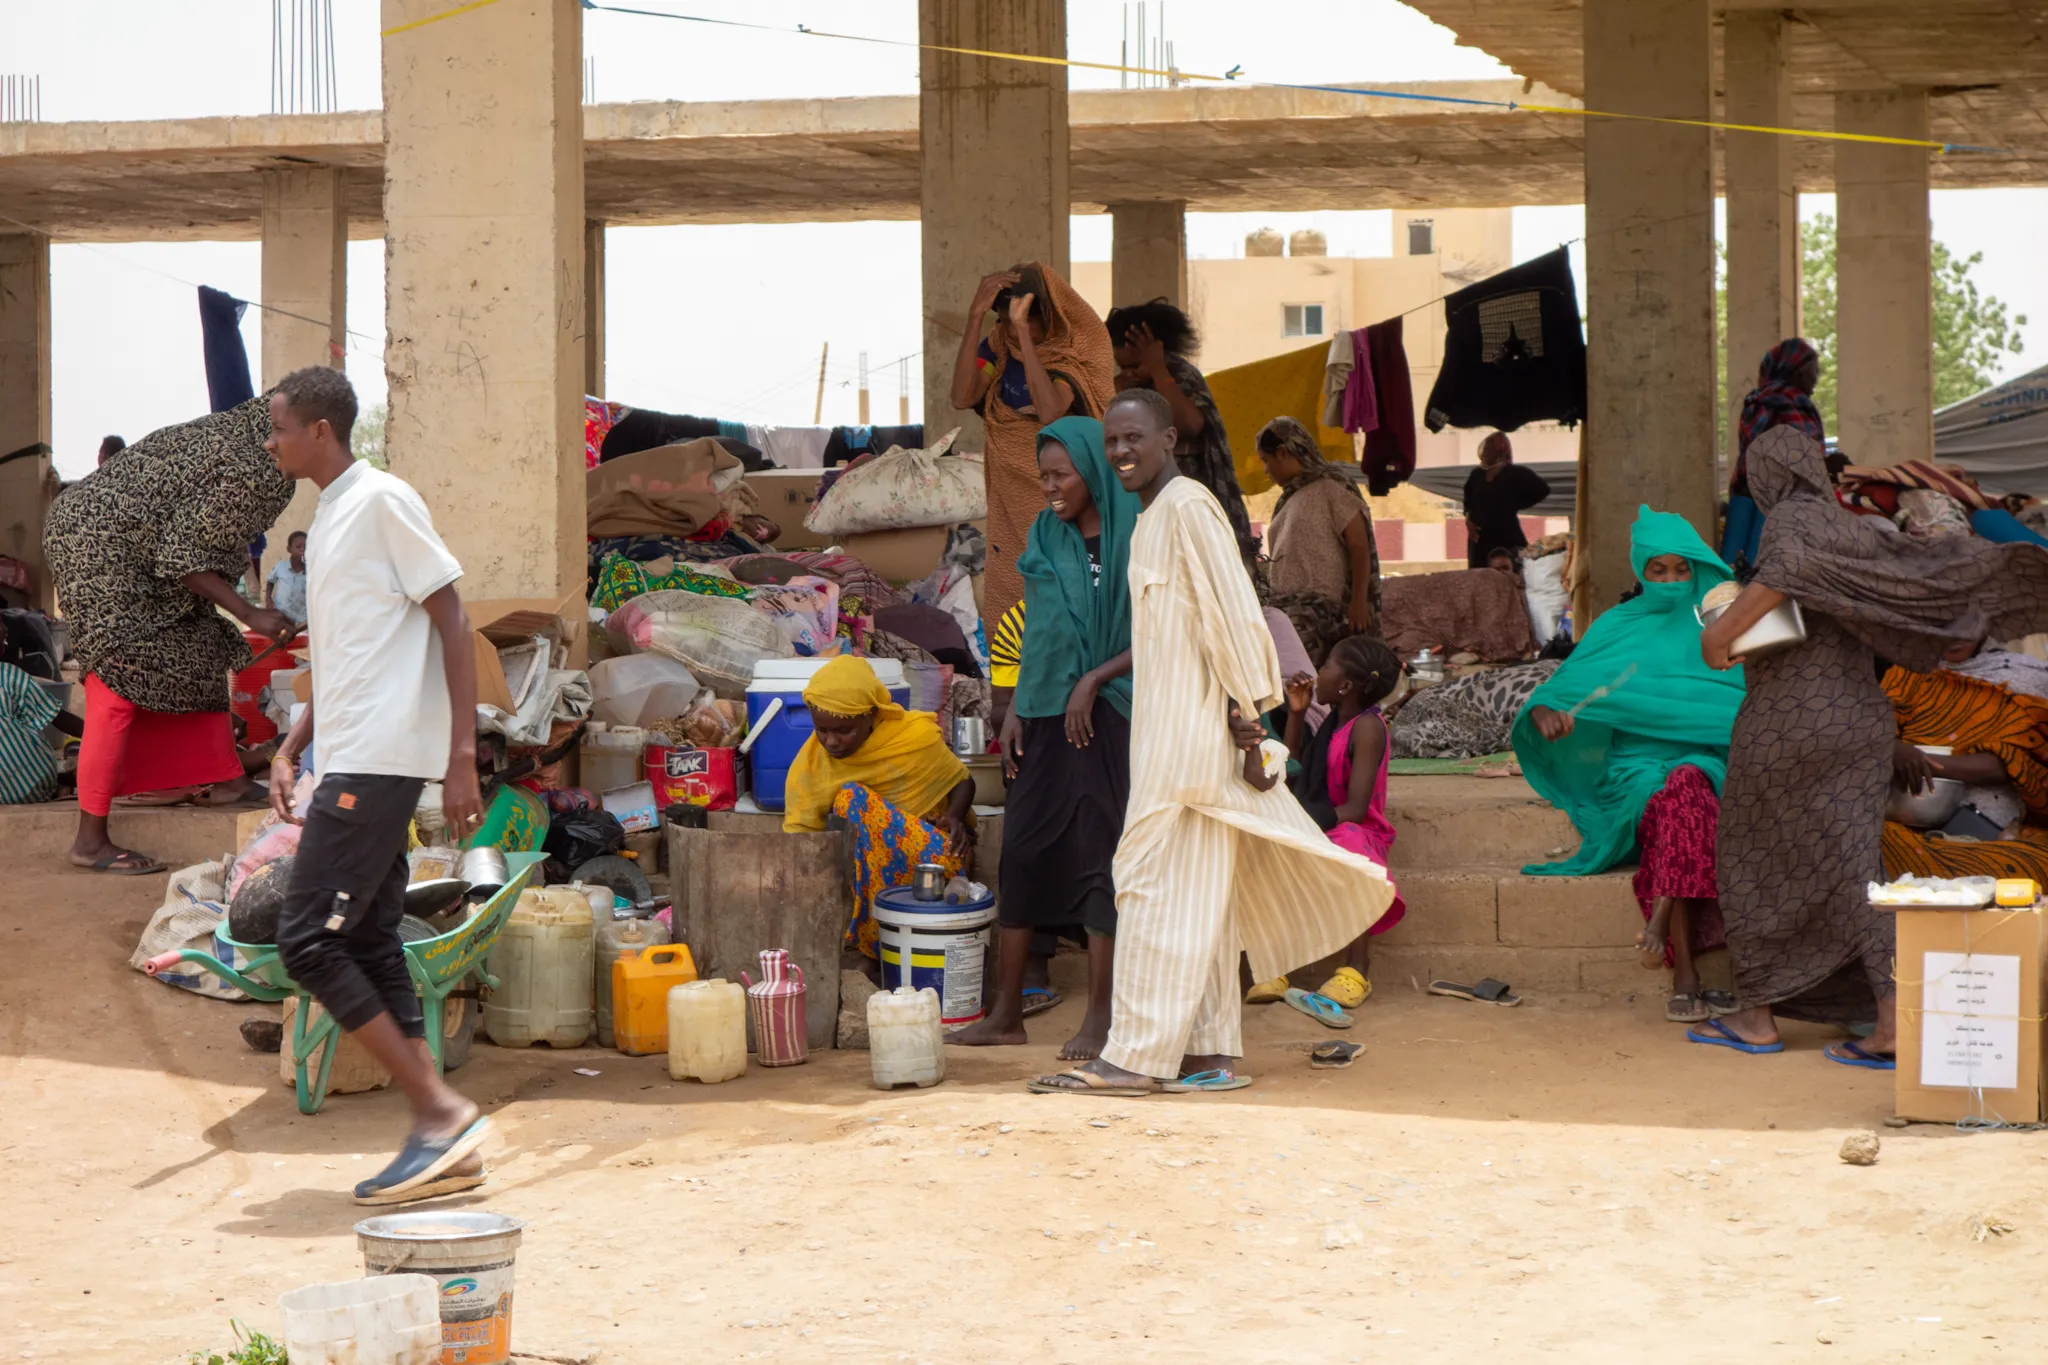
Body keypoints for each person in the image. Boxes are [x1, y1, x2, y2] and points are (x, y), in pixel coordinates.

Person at [1029, 388, 1395, 1097]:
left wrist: (1248, 710)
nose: (1122, 451)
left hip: (1190, 741)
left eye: (1134, 436)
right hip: (1174, 735)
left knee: (1145, 882)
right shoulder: (1154, 515)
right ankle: (1206, 1052)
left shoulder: (1188, 507)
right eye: (1112, 442)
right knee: (1197, 895)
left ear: (1169, 439)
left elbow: (1232, 613)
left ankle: (1134, 1057)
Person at [1699, 427, 2048, 1068]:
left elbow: (1789, 573)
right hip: (1862, 718)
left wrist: (1720, 633)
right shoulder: (1857, 530)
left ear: (1767, 474)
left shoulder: (1791, 521)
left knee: (1752, 858)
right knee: (1859, 874)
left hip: (1788, 723)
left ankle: (1756, 1016)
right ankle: (1889, 1022)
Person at [260, 365, 490, 1204]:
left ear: (319, 430)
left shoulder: (382, 499)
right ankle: (444, 1132)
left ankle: (437, 1109)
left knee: (307, 941)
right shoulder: (325, 519)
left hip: (383, 758)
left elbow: (454, 618)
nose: (272, 441)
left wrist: (463, 752)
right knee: (365, 938)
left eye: (280, 427)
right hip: (348, 751)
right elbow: (346, 654)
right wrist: (292, 744)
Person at [44, 395, 298, 873]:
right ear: (317, 430)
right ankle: (90, 839)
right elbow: (181, 555)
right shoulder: (260, 464)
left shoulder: (262, 440)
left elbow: (208, 534)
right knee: (119, 673)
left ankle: (225, 778)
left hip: (137, 542)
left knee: (198, 641)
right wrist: (249, 611)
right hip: (94, 540)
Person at [1513, 507, 1746, 1023]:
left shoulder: (1722, 626)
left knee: (1686, 786)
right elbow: (1559, 693)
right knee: (1676, 800)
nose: (1669, 580)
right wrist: (1549, 714)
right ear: (1641, 571)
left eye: (1680, 569)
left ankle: (1677, 955)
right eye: (1657, 570)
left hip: (1705, 763)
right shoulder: (1617, 625)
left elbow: (1744, 703)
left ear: (1697, 568)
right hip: (1635, 769)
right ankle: (1677, 949)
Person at [950, 417, 1135, 1060]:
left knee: (1101, 857)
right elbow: (1040, 635)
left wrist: (1094, 681)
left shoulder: (1134, 534)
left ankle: (1102, 1017)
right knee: (1023, 851)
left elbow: (1164, 628)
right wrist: (1018, 710)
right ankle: (1007, 1012)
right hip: (1046, 712)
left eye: (1062, 475)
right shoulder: (1043, 534)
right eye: (1044, 476)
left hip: (1114, 712)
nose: (1051, 488)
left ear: (1094, 470)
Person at [949, 262, 1116, 636]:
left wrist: (1024, 336)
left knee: (1064, 586)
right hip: (1013, 497)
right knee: (1013, 590)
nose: (1009, 329)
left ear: (1049, 319)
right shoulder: (998, 348)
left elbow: (1051, 411)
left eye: (1022, 321)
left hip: (1061, 495)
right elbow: (963, 395)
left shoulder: (1075, 352)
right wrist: (976, 317)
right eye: (1004, 321)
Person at [781, 654, 975, 960]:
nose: (830, 742)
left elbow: (963, 779)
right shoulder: (813, 761)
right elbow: (802, 835)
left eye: (844, 731)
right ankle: (874, 948)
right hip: (866, 872)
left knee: (851, 798)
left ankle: (871, 954)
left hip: (933, 867)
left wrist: (954, 817)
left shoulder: (913, 738)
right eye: (822, 730)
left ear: (873, 715)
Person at [1260, 634, 1408, 1009]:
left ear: (1344, 686)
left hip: (1356, 827)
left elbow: (1356, 809)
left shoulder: (1368, 728)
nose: (1316, 671)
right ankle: (1276, 963)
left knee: (1348, 847)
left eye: (1324, 666)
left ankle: (1357, 969)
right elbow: (1293, 770)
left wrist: (1301, 822)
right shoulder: (1330, 721)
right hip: (1323, 818)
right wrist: (1296, 713)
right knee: (1270, 845)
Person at [1105, 299, 1261, 569]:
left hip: (1187, 491)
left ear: (1159, 351)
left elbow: (1190, 425)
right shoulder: (1124, 385)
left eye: (1135, 365)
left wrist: (1157, 370)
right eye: (1123, 367)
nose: (1128, 373)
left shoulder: (1180, 376)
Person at [1884, 660, 2048, 885]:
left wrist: (1923, 763)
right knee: (1869, 845)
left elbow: (2010, 763)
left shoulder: (2028, 675)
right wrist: (1892, 749)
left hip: (1993, 834)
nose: (1957, 633)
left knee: (2034, 864)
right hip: (1900, 825)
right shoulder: (1905, 672)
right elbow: (1866, 735)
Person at [1255, 415, 1382, 665]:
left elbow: (1359, 547)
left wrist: (1358, 602)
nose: (1265, 470)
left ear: (1282, 453)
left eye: (1266, 460)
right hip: (1285, 610)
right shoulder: (1288, 500)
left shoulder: (1332, 486)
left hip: (1318, 613)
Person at [1722, 338, 1825, 569]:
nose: (1815, 379)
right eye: (1813, 372)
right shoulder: (1793, 402)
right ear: (1795, 371)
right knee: (1766, 570)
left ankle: (1724, 605)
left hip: (1745, 493)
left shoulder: (1757, 399)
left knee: (1730, 571)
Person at [0, 616, 82, 804]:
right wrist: (98, 735)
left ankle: (60, 783)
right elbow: (59, 718)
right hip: (36, 784)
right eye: (0, 623)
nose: (6, 628)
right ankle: (59, 783)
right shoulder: (7, 674)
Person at [1461, 432, 1549, 569]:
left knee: (1509, 574)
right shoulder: (1476, 475)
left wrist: (1514, 504)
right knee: (1480, 577)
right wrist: (1468, 518)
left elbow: (1542, 489)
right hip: (1479, 539)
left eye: (1489, 448)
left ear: (1499, 451)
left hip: (1506, 535)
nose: (1485, 451)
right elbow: (1468, 500)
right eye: (1485, 448)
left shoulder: (1515, 473)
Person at [264, 530, 310, 626]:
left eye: (306, 547)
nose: (302, 550)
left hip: (302, 619)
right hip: (281, 616)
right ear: (289, 549)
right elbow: (270, 580)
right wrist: (268, 598)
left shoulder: (311, 571)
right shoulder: (281, 566)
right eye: (298, 547)